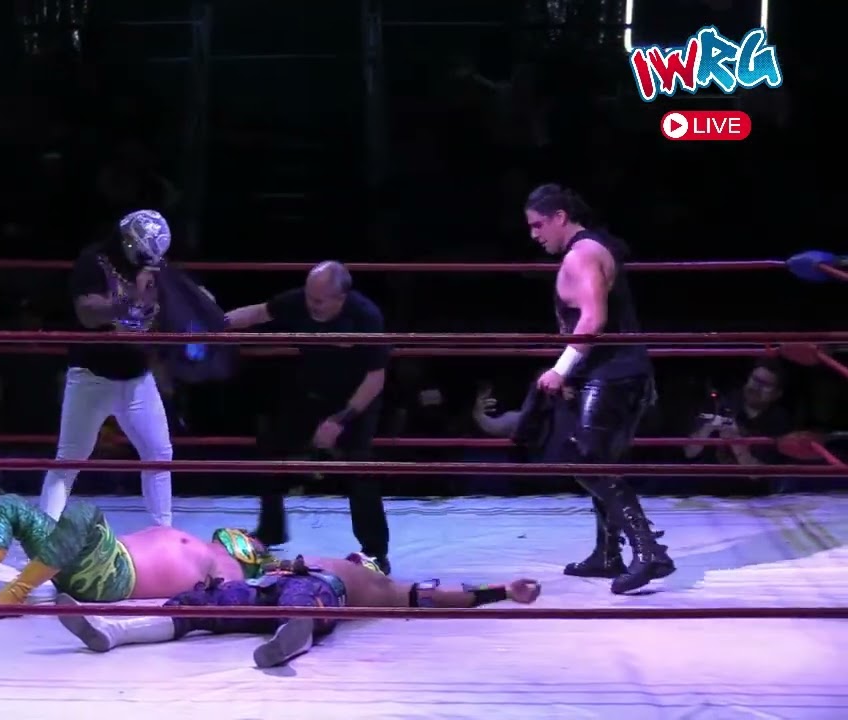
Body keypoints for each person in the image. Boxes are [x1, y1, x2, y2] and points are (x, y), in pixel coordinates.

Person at [524, 183, 673, 594]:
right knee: (601, 461)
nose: (534, 235)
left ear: (560, 217)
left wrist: (561, 370)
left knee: (585, 459)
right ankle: (608, 554)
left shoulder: (583, 254)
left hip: (613, 374)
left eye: (538, 225)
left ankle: (648, 550)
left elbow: (592, 319)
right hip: (615, 372)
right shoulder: (592, 248)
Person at [57, 553, 542, 668]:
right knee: (196, 603)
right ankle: (112, 632)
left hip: (319, 592)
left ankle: (291, 640)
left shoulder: (387, 586)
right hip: (266, 586)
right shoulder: (314, 559)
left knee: (302, 604)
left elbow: (446, 595)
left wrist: (502, 590)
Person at [223, 261, 392, 573]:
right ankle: (271, 530)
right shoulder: (301, 299)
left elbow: (375, 378)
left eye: (319, 300)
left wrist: (340, 420)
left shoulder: (365, 316)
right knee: (270, 448)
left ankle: (375, 552)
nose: (311, 305)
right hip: (311, 392)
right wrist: (216, 323)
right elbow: (260, 312)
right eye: (309, 296)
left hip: (355, 401)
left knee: (360, 468)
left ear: (340, 298)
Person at [46, 210, 178, 527]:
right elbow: (88, 314)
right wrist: (131, 299)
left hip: (137, 377)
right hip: (92, 377)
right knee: (69, 459)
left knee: (159, 454)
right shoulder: (93, 261)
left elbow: (166, 311)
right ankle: (44, 534)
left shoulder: (153, 268)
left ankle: (163, 532)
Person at [0, 495, 273, 608]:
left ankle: (16, 593)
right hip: (87, 560)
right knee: (10, 505)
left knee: (84, 512)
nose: (244, 534)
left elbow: (231, 598)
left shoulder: (230, 567)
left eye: (252, 539)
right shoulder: (204, 544)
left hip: (113, 577)